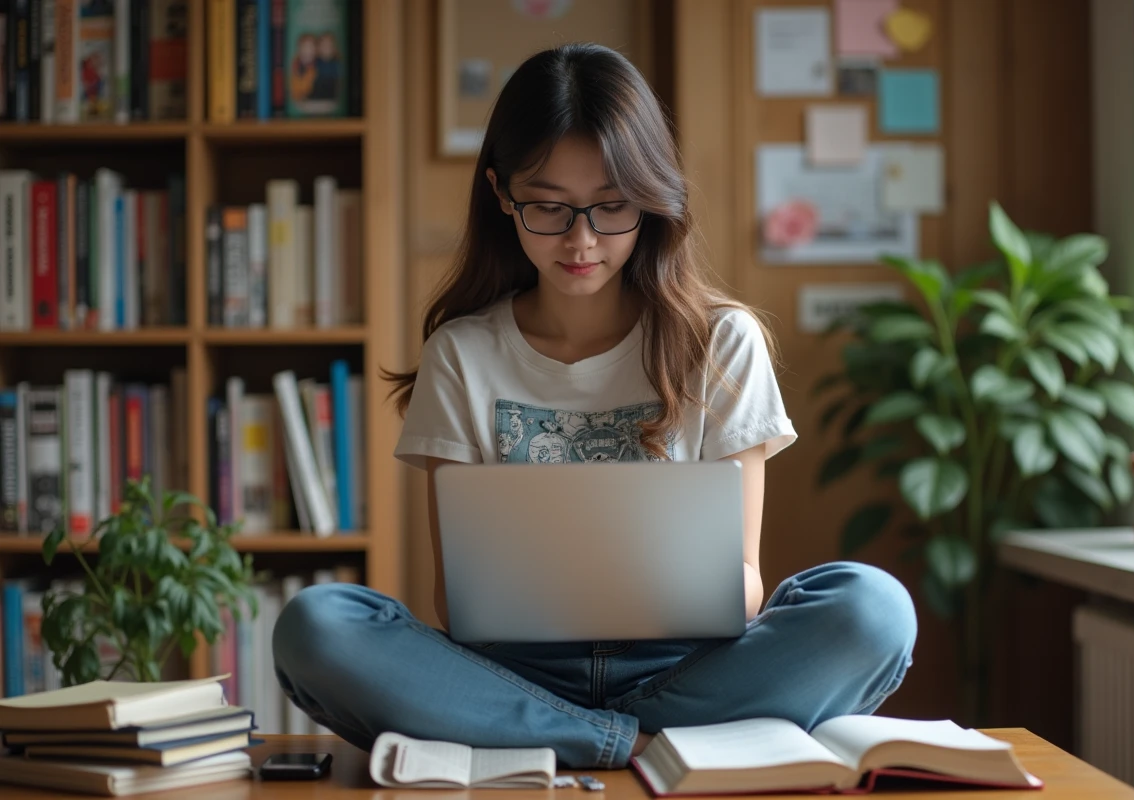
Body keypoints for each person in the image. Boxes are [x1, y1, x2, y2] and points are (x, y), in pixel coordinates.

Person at [272, 42, 917, 770]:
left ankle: (552, 738)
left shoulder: (722, 342)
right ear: (502, 195)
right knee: (316, 626)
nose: (581, 240)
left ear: (650, 197)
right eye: (548, 207)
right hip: (508, 676)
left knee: (873, 609)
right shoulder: (463, 354)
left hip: (688, 674)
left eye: (611, 207)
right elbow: (455, 605)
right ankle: (637, 748)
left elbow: (743, 584)